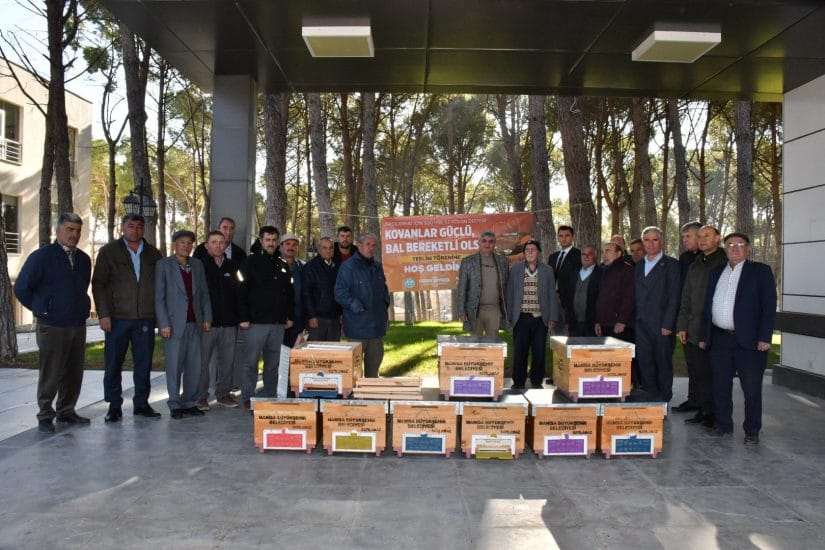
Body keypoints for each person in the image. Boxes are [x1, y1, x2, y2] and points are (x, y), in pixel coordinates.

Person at [14, 213, 92, 433]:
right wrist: (42, 309)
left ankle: (66, 411)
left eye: (77, 230)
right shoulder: (42, 256)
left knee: (73, 371)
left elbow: (81, 288)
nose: (74, 234)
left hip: (77, 324)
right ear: (58, 231)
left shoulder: (84, 260)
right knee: (51, 371)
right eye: (69, 229)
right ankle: (45, 415)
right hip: (52, 325)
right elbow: (21, 288)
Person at [700, 233, 776, 444]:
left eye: (740, 245)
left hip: (750, 342)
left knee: (751, 389)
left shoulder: (760, 272)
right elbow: (708, 306)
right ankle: (723, 425)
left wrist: (765, 337)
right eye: (730, 245)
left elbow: (768, 307)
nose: (734, 248)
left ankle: (752, 431)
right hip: (719, 339)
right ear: (725, 249)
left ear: (748, 249)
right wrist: (705, 335)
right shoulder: (716, 272)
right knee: (720, 386)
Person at [92, 214, 163, 422]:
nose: (135, 230)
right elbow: (99, 284)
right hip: (117, 318)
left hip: (145, 319)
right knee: (113, 362)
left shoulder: (153, 254)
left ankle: (141, 404)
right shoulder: (109, 252)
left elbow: (160, 287)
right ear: (123, 228)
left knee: (143, 363)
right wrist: (104, 314)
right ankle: (114, 406)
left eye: (139, 227)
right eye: (131, 226)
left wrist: (158, 317)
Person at [155, 230, 212, 418]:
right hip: (173, 324)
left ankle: (189, 402)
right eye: (182, 243)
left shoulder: (197, 265)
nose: (186, 246)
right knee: (174, 366)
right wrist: (163, 322)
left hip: (195, 323)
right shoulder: (164, 265)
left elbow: (204, 293)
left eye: (189, 243)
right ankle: (174, 404)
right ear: (174, 245)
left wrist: (207, 317)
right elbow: (159, 297)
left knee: (194, 365)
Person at [238, 226, 293, 411]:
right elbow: (240, 290)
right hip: (255, 323)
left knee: (273, 364)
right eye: (267, 239)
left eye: (274, 240)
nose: (271, 243)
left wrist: (288, 316)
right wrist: (243, 317)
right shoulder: (249, 262)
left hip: (278, 324)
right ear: (261, 241)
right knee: (250, 363)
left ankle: (270, 395)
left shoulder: (282, 264)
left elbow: (289, 293)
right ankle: (247, 397)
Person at [675, 225, 726, 424]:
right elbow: (686, 297)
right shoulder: (696, 263)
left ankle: (714, 413)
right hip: (692, 327)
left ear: (717, 239)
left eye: (707, 236)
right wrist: (682, 326)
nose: (702, 240)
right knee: (698, 371)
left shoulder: (724, 262)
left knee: (711, 373)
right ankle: (704, 409)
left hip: (712, 329)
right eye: (700, 237)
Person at [634, 226, 681, 402]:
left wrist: (668, 324)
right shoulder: (638, 266)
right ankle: (649, 394)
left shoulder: (672, 265)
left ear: (661, 241)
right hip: (641, 323)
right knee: (645, 360)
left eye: (655, 239)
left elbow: (674, 296)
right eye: (647, 240)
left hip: (661, 324)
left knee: (662, 362)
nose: (651, 244)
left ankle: (664, 398)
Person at [505, 240, 560, 390]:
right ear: (524, 253)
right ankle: (518, 382)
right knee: (520, 352)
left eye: (533, 249)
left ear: (538, 252)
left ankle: (536, 381)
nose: (530, 252)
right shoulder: (516, 269)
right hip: (521, 318)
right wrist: (510, 316)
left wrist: (552, 318)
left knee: (539, 352)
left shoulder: (547, 270)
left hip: (540, 319)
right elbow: (510, 293)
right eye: (527, 250)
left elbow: (552, 295)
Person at [196, 231, 241, 410]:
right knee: (203, 362)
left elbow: (240, 292)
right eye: (213, 242)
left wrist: (240, 317)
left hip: (229, 323)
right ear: (207, 245)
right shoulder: (199, 266)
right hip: (207, 324)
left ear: (225, 245)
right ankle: (201, 396)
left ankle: (223, 394)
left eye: (221, 242)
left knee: (227, 361)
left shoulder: (233, 266)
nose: (218, 245)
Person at [334, 233, 390, 377]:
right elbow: (340, 293)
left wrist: (384, 306)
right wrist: (355, 305)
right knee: (354, 371)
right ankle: (356, 398)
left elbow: (384, 290)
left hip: (376, 328)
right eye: (368, 244)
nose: (371, 248)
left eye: (373, 245)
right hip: (357, 327)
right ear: (359, 246)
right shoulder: (348, 267)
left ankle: (371, 396)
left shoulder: (378, 267)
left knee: (374, 368)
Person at [456, 231, 509, 337]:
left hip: (494, 309)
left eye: (491, 241)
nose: (487, 244)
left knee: (494, 345)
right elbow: (462, 288)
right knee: (475, 344)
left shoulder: (502, 261)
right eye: (484, 241)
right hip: (475, 310)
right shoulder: (467, 262)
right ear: (478, 243)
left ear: (494, 244)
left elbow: (506, 286)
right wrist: (461, 311)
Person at [302, 237, 342, 341]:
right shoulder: (310, 267)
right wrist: (311, 316)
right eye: (324, 248)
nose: (328, 250)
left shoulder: (338, 266)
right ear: (319, 249)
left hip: (334, 318)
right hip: (317, 319)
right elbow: (306, 293)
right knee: (316, 353)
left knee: (333, 353)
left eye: (331, 248)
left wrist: (341, 313)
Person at [595, 242, 635, 341]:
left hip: (619, 326)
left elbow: (629, 298)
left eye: (608, 251)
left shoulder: (627, 270)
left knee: (620, 356)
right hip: (604, 324)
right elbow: (599, 298)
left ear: (619, 254)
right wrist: (597, 321)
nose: (604, 255)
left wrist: (622, 321)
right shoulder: (602, 270)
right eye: (603, 252)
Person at [547, 225, 581, 334]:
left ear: (573, 237)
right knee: (556, 334)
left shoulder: (579, 255)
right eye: (561, 236)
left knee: (569, 334)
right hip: (553, 301)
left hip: (570, 302)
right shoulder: (553, 256)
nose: (564, 238)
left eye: (567, 235)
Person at [567, 245, 601, 337]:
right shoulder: (574, 273)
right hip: (574, 323)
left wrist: (598, 321)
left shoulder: (601, 273)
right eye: (583, 254)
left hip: (592, 324)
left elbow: (603, 300)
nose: (586, 257)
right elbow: (568, 297)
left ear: (595, 255)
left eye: (589, 254)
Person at [279, 234, 305, 347]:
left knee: (297, 354)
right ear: (280, 246)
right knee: (278, 355)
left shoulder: (302, 267)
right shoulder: (274, 265)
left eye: (294, 245)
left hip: (299, 318)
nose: (291, 247)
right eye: (287, 244)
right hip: (280, 319)